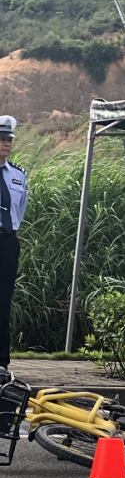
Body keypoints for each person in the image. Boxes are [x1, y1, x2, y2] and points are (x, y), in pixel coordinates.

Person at [0, 116, 28, 369]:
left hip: (7, 242)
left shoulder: (18, 175)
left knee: (3, 302)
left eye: (9, 140)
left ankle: (1, 363)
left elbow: (19, 209)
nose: (6, 144)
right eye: (2, 139)